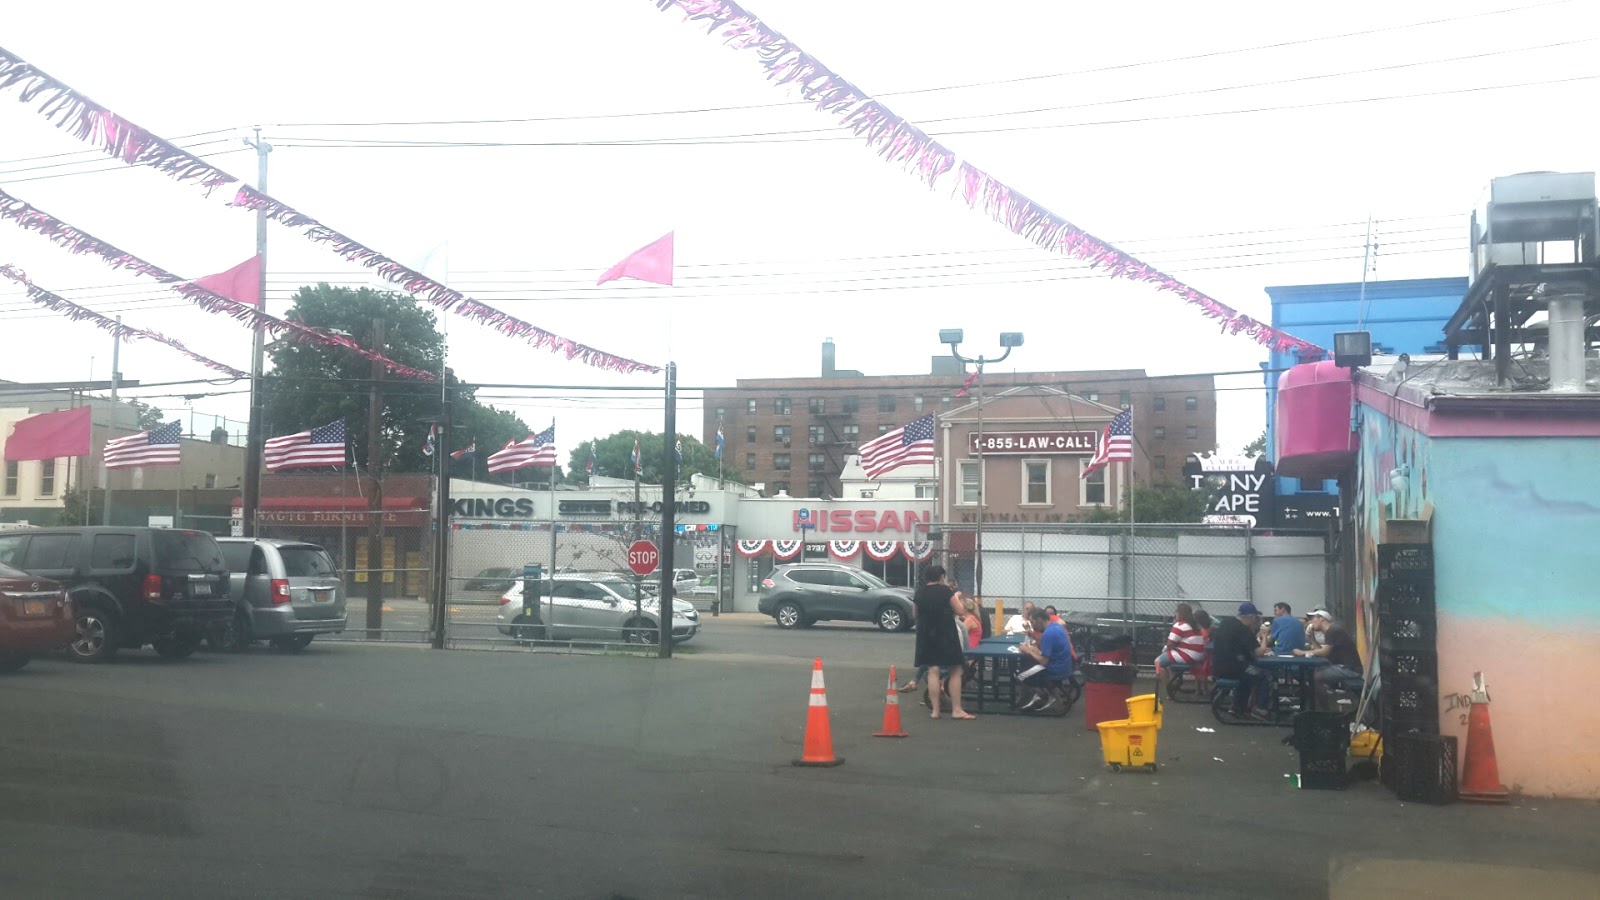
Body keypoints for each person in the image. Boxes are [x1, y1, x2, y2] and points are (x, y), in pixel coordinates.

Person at [912, 565, 973, 719]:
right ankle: (956, 710)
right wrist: (957, 597)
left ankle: (935, 711)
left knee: (933, 670)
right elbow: (960, 611)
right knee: (955, 670)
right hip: (946, 633)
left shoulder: (920, 592)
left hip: (926, 634)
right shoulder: (946, 591)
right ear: (941, 577)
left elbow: (915, 613)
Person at [1294, 610, 1364, 699]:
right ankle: (1323, 701)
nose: (1311, 622)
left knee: (1315, 677)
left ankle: (1323, 705)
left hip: (1349, 669)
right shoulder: (1330, 631)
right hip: (1344, 667)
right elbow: (1322, 651)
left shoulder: (1333, 630)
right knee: (1315, 672)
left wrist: (1302, 653)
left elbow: (1325, 652)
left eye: (1313, 619)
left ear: (1322, 618)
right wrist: (1312, 638)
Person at [1210, 602, 1264, 716]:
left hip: (1218, 665)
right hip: (1233, 668)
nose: (1255, 620)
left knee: (1248, 672)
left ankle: (1238, 706)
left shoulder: (1226, 623)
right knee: (1263, 675)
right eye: (1255, 618)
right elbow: (1258, 652)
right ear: (1251, 617)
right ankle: (1260, 708)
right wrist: (1264, 638)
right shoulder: (1243, 629)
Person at [1016, 608, 1074, 711]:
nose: (1032, 625)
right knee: (1028, 665)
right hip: (1065, 665)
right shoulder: (1055, 627)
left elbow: (1044, 661)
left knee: (1020, 675)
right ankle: (1050, 696)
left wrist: (1028, 650)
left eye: (1033, 622)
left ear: (1039, 620)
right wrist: (1034, 637)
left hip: (1055, 668)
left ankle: (1044, 696)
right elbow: (1044, 647)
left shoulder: (1048, 634)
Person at [1155, 602, 1206, 693]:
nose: (1175, 614)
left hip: (1188, 655)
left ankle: (1169, 689)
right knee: (1170, 660)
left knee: (1158, 662)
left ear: (1180, 614)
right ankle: (1175, 682)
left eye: (1176, 612)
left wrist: (1165, 651)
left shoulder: (1179, 625)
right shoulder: (1195, 625)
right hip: (1199, 655)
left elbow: (1170, 644)